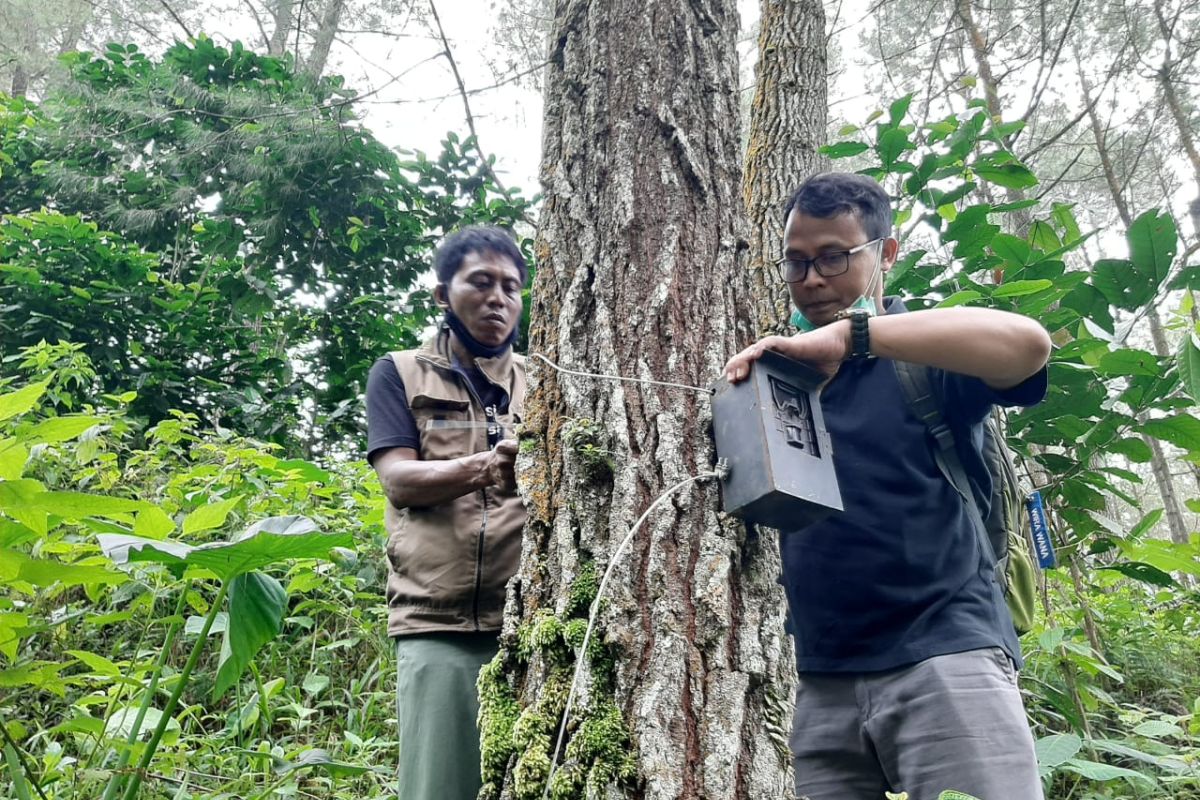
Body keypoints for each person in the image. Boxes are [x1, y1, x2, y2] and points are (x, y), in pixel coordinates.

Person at [723, 173, 1051, 800]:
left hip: (947, 650)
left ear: (886, 253)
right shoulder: (772, 373)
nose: (813, 278)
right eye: (797, 261)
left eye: (835, 257)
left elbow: (1028, 346)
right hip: (807, 679)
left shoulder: (923, 357)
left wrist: (856, 337)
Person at [366, 225, 528, 800]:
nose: (497, 298)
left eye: (511, 286)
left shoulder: (545, 383)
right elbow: (399, 480)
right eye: (479, 282)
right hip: (438, 623)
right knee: (440, 788)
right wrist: (485, 465)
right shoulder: (400, 372)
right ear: (443, 294)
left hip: (530, 624)